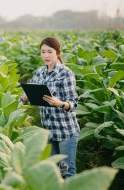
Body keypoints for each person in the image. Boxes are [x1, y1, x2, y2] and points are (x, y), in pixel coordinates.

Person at [20, 37, 80, 178]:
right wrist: (25, 97)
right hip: (49, 131)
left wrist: (59, 103)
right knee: (51, 173)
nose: (46, 55)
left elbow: (73, 103)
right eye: (43, 52)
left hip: (66, 132)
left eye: (49, 51)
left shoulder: (66, 73)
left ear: (57, 53)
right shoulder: (40, 72)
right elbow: (25, 94)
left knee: (67, 172)